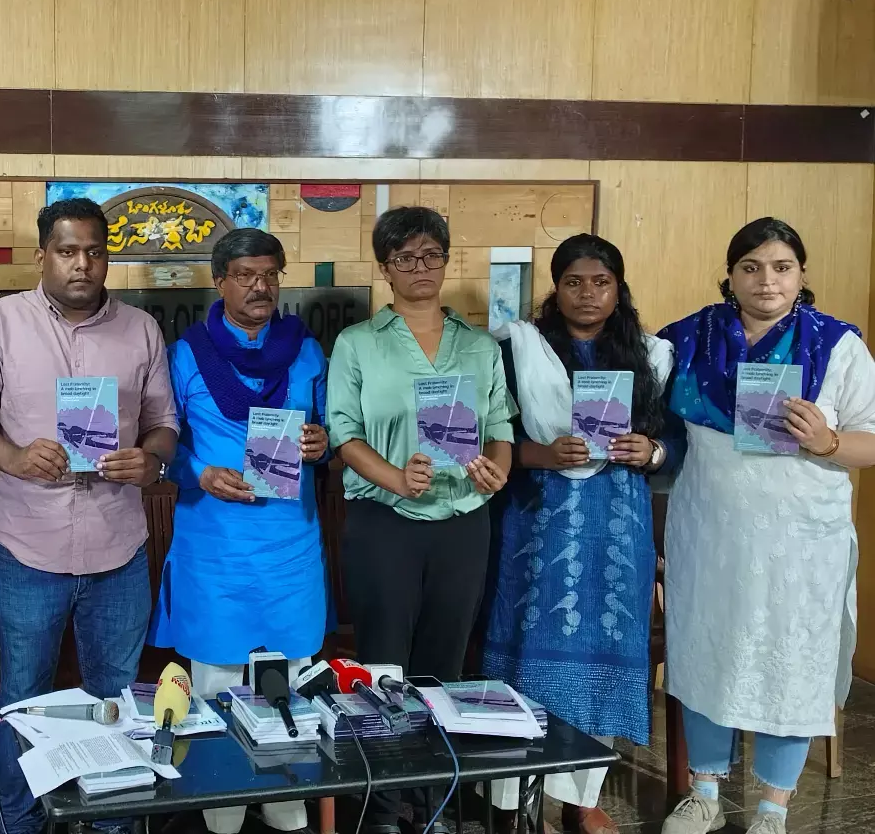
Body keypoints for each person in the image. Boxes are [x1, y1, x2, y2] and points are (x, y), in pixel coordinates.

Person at [0, 197, 178, 834]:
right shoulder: (0, 323)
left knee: (115, 695)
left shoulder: (141, 329)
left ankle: (108, 822)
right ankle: (20, 824)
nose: (82, 264)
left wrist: (151, 461)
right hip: (28, 545)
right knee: (24, 698)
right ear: (42, 256)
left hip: (119, 546)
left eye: (94, 252)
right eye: (67, 251)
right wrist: (14, 458)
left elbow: (165, 423)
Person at [657, 218, 875, 834]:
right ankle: (703, 793)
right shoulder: (687, 340)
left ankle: (773, 809)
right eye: (751, 267)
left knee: (791, 660)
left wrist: (827, 441)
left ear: (802, 275)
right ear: (730, 275)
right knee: (706, 651)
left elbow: (870, 441)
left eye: (782, 267)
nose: (766, 280)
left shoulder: (837, 345)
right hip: (710, 534)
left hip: (802, 543)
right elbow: (658, 428)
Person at [481, 235, 684, 834]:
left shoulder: (652, 356)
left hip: (616, 530)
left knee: (603, 657)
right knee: (525, 657)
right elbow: (490, 433)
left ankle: (581, 797)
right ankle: (515, 800)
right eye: (574, 282)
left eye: (601, 282)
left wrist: (652, 451)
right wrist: (543, 453)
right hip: (536, 525)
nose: (587, 293)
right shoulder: (518, 349)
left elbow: (677, 440)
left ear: (618, 288)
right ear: (556, 287)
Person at [327, 206, 515, 834]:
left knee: (445, 664)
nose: (420, 268)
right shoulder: (358, 343)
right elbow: (343, 433)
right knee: (383, 665)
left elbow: (500, 427)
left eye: (431, 255)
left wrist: (497, 468)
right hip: (385, 521)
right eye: (404, 258)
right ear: (385, 268)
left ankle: (433, 799)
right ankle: (382, 805)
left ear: (446, 260)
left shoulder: (479, 345)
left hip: (463, 519)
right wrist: (394, 477)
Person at [147, 228, 332, 834]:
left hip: (289, 546)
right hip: (216, 550)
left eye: (270, 275)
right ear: (220, 281)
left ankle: (285, 807)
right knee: (216, 685)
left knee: (289, 680)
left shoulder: (306, 351)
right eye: (246, 275)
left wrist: (322, 443)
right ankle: (222, 811)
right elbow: (163, 447)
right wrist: (201, 473)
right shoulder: (184, 355)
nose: (260, 286)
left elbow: (331, 432)